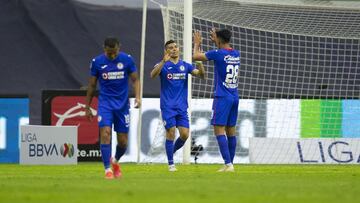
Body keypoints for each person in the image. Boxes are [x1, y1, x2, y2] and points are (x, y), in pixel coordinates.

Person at [85, 37, 140, 179]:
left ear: (118, 48)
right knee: (105, 133)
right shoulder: (97, 62)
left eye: (115, 52)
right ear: (105, 49)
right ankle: (107, 170)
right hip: (105, 104)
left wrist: (138, 97)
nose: (113, 55)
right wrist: (87, 106)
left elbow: (135, 80)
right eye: (110, 53)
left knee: (123, 141)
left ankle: (115, 160)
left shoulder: (127, 60)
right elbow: (92, 85)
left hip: (122, 105)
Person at [150, 40, 205, 171]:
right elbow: (152, 75)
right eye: (170, 48)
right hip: (167, 106)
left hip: (182, 107)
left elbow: (202, 76)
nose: (174, 49)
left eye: (175, 47)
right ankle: (171, 164)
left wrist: (200, 62)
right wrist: (163, 61)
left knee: (185, 134)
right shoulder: (163, 65)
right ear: (166, 51)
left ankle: (170, 152)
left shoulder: (185, 66)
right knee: (171, 132)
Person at [193, 28, 240, 172]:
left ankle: (228, 164)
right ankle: (230, 163)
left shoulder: (217, 54)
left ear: (219, 40)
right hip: (234, 96)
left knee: (219, 129)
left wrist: (197, 43)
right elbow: (222, 52)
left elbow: (195, 56)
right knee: (231, 131)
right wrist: (217, 41)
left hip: (222, 97)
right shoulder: (236, 54)